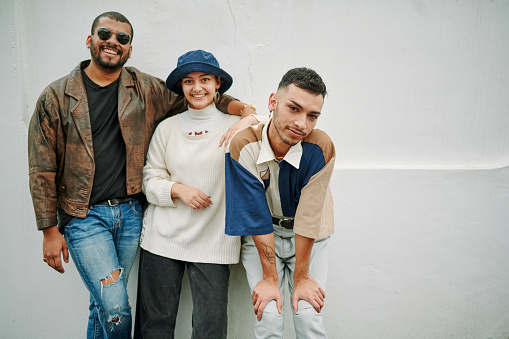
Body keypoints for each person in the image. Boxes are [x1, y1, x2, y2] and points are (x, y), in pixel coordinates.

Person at [27, 12, 255, 338]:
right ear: (90, 40)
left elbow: (199, 94)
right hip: (84, 216)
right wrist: (49, 229)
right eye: (105, 34)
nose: (113, 42)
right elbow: (41, 167)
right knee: (116, 308)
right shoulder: (57, 96)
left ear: (129, 50)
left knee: (102, 306)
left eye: (122, 38)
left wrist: (245, 111)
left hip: (130, 213)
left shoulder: (144, 88)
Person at [136, 49, 242, 338]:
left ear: (217, 83)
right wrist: (177, 190)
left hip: (214, 240)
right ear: (181, 87)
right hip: (163, 239)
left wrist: (247, 115)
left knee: (211, 327)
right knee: (155, 324)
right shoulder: (167, 128)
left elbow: (263, 135)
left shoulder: (235, 128)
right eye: (188, 81)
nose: (197, 88)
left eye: (205, 79)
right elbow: (149, 179)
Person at [225, 67, 335, 338]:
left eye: (312, 116)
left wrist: (301, 278)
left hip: (310, 236)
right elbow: (254, 214)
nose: (302, 124)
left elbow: (309, 217)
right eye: (294, 109)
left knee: (307, 315)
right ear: (273, 102)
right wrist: (270, 278)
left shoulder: (321, 147)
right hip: (264, 233)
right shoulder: (243, 145)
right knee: (270, 316)